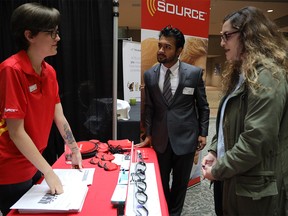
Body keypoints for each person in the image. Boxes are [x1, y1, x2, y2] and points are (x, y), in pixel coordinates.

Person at [201, 6, 288, 216]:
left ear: (248, 35)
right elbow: (227, 122)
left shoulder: (266, 76)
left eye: (226, 36)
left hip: (254, 189)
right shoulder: (242, 73)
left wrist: (219, 170)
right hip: (235, 177)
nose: (222, 42)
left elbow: (256, 140)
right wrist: (215, 150)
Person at [0, 3, 82, 215]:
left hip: (35, 163)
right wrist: (48, 171)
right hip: (11, 170)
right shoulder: (11, 70)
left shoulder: (49, 72)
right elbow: (16, 132)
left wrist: (74, 150)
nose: (58, 38)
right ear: (30, 35)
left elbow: (59, 116)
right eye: (52, 33)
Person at [135, 25, 210, 215]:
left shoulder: (193, 74)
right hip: (160, 140)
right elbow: (149, 108)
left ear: (179, 50)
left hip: (186, 139)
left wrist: (203, 132)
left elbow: (203, 106)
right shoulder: (149, 75)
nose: (161, 50)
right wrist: (149, 134)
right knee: (159, 183)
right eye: (160, 45)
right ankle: (163, 211)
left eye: (167, 47)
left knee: (180, 186)